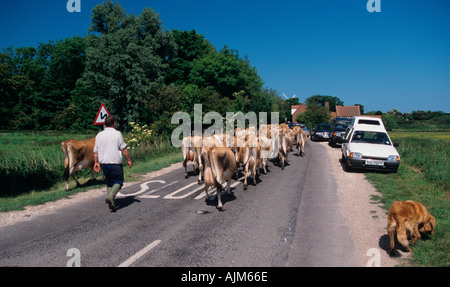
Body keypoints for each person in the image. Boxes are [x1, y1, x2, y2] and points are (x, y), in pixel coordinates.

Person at [93, 115, 132, 211]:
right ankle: (110, 197)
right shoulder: (117, 134)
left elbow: (95, 151)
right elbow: (124, 149)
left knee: (109, 182)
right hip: (115, 162)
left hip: (104, 163)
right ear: (114, 123)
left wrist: (96, 162)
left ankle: (111, 201)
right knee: (119, 181)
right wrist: (129, 160)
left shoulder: (99, 135)